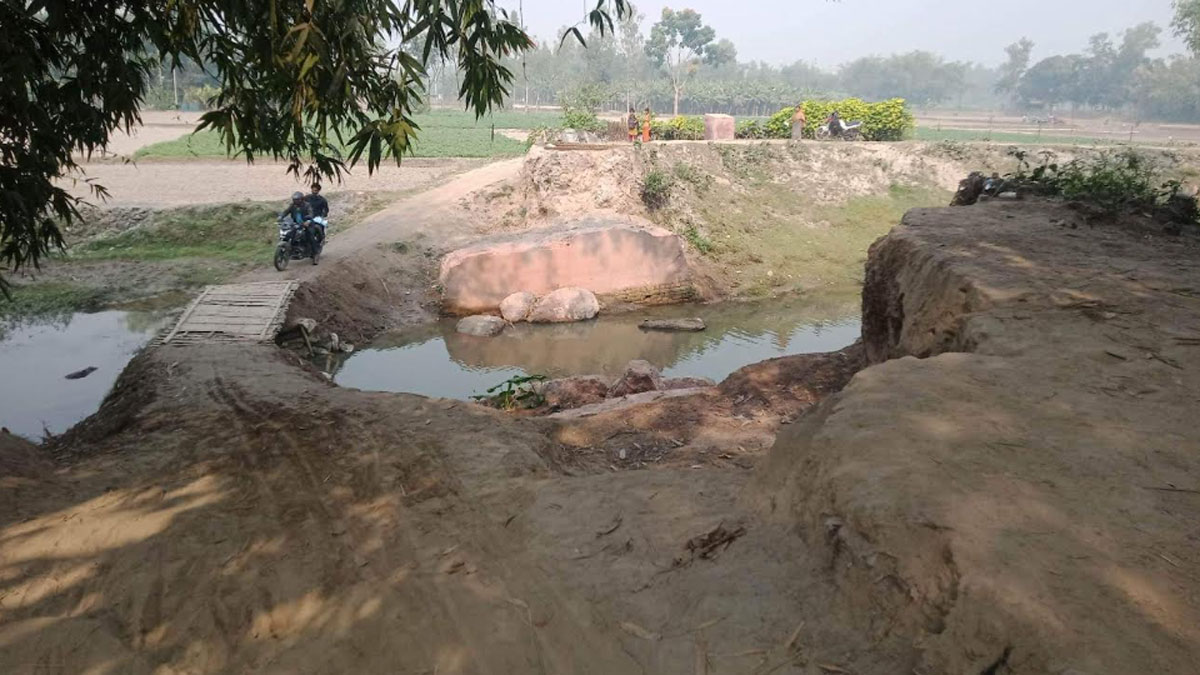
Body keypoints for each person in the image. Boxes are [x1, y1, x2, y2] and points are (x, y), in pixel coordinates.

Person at [280, 191, 320, 261]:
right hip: (296, 224)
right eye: (294, 200)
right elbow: (286, 212)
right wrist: (281, 217)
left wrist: (308, 220)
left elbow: (311, 213)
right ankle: (291, 250)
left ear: (302, 199)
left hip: (307, 224)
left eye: (297, 200)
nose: (296, 201)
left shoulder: (307, 205)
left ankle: (315, 254)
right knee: (289, 234)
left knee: (310, 236)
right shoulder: (292, 205)